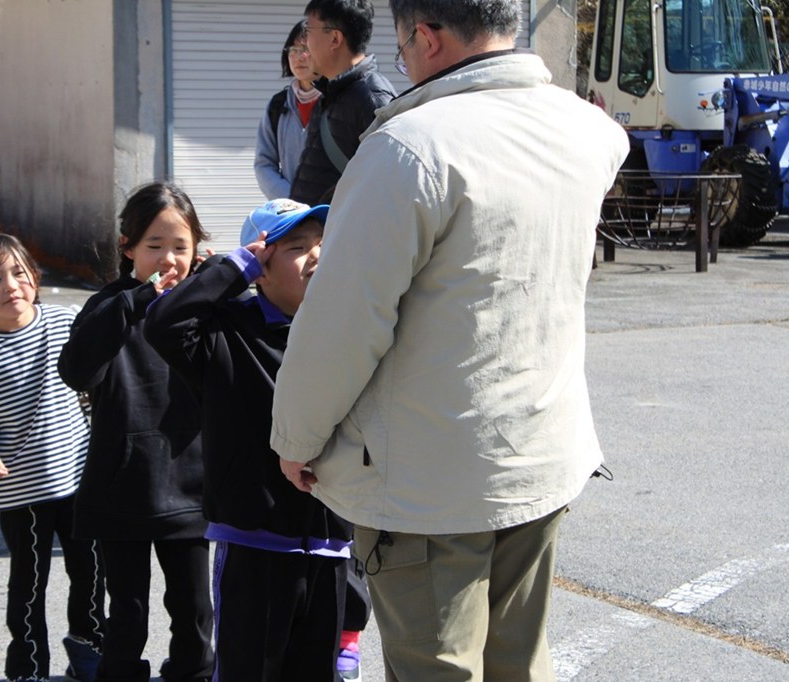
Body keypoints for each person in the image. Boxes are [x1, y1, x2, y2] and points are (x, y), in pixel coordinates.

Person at [269, 1, 630, 680]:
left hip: (429, 478)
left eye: (403, 47)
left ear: (427, 38)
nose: (402, 63)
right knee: (519, 662)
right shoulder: (589, 131)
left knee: (437, 668)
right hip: (541, 452)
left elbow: (343, 324)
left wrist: (296, 436)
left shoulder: (409, 148)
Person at [144, 198, 352, 681]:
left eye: (322, 244)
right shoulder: (225, 332)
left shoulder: (345, 330)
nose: (316, 255)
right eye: (296, 247)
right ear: (261, 268)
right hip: (255, 544)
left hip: (331, 543)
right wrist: (234, 268)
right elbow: (163, 323)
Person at [58, 181, 214, 682]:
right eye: (154, 246)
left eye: (180, 247)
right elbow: (76, 370)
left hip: (190, 484)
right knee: (127, 611)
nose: (168, 259)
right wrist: (136, 301)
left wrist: (218, 282)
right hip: (123, 484)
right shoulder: (110, 306)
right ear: (127, 248)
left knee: (194, 608)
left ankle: (192, 674)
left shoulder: (205, 306)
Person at [0, 234, 107, 682]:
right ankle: (28, 667)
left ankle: (88, 649)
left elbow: (96, 376)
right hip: (22, 493)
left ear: (35, 278)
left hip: (79, 480)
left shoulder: (65, 322)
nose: (10, 285)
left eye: (19, 273)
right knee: (27, 588)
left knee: (92, 574)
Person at [290, 0, 396, 206]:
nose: (304, 42)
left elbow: (390, 192)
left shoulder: (373, 98)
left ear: (335, 38)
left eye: (308, 31)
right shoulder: (329, 92)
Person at [254, 21, 321, 200]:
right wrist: (291, 200)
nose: (299, 57)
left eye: (306, 49)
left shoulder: (340, 102)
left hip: (334, 210)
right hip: (292, 212)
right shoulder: (278, 106)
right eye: (293, 49)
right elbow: (264, 164)